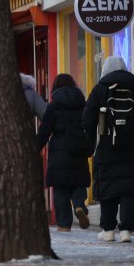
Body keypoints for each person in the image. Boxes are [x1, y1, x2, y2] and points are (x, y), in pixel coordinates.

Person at [82, 56, 134, 243]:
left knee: (108, 187)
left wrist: (90, 142)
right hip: (132, 146)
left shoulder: (100, 89)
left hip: (107, 146)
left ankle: (109, 230)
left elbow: (88, 117)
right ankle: (126, 230)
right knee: (128, 187)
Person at [37, 74, 91, 232]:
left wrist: (33, 148)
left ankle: (64, 224)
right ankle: (80, 206)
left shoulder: (53, 107)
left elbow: (44, 131)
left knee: (61, 189)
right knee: (78, 184)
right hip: (78, 151)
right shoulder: (83, 105)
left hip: (59, 155)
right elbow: (89, 126)